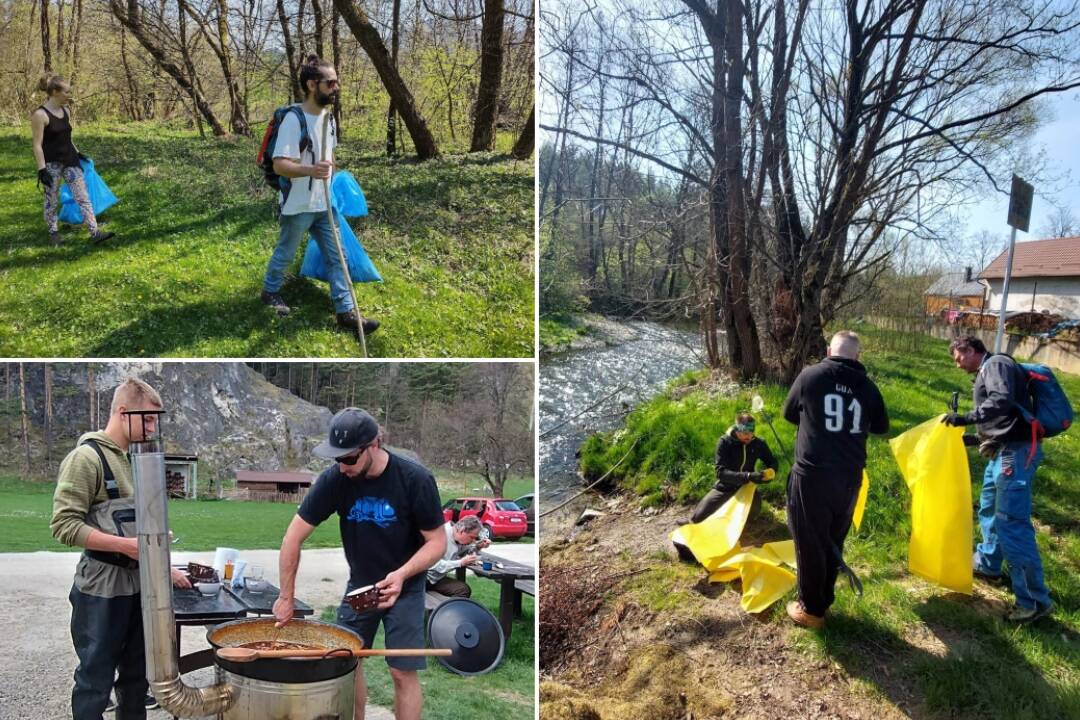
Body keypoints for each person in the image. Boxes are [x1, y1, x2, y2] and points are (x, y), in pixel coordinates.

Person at [273, 408, 446, 720]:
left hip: (405, 586)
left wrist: (403, 573)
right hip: (361, 585)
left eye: (349, 458)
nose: (342, 467)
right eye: (336, 459)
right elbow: (292, 538)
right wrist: (286, 598)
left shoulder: (414, 479)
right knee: (347, 661)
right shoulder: (335, 480)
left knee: (400, 670)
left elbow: (437, 542)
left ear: (374, 445)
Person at [50, 378, 190, 720]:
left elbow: (141, 530)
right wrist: (128, 547)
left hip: (140, 588)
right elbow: (64, 525)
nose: (153, 426)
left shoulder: (135, 459)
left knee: (136, 679)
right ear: (123, 412)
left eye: (155, 419)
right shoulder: (86, 458)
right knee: (95, 680)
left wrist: (163, 567)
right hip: (102, 589)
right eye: (148, 419)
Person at [261, 55, 380, 336]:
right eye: (331, 82)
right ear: (313, 85)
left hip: (325, 204)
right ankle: (270, 292)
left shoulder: (329, 118)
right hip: (297, 204)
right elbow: (280, 165)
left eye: (336, 81)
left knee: (339, 257)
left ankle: (346, 311)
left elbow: (330, 155)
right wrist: (311, 170)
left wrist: (332, 181)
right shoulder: (294, 119)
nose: (336, 87)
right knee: (286, 252)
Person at [781, 330, 889, 629]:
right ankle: (822, 599)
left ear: (830, 351)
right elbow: (881, 426)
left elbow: (790, 414)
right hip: (849, 478)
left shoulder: (810, 376)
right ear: (858, 356)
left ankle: (811, 609)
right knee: (832, 539)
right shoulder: (868, 387)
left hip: (812, 475)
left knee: (809, 541)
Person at [944, 335, 1053, 623]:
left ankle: (1034, 601)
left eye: (958, 358)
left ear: (972, 350)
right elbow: (1003, 416)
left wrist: (967, 417)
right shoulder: (990, 369)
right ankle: (989, 563)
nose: (957, 365)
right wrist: (973, 437)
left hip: (1016, 454)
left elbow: (1001, 400)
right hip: (1002, 451)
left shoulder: (997, 364)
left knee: (1011, 523)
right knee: (989, 508)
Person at [30, 74, 114, 246]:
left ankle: (95, 232)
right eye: (67, 92)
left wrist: (79, 153)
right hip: (51, 164)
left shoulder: (66, 111)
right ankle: (53, 233)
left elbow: (67, 138)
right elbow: (37, 145)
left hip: (71, 161)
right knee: (51, 199)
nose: (70, 95)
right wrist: (41, 169)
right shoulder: (40, 115)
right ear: (55, 92)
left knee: (83, 197)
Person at [688, 412, 779, 525]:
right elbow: (720, 472)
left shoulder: (758, 443)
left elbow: (773, 462)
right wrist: (748, 476)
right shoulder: (725, 442)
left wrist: (770, 473)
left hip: (747, 487)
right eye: (745, 433)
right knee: (698, 518)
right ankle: (692, 521)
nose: (749, 436)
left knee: (752, 516)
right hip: (725, 486)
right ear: (737, 430)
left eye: (751, 432)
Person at [425, 515, 492, 598]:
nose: (473, 541)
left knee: (463, 590)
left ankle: (451, 610)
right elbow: (433, 565)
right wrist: (460, 562)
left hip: (436, 579)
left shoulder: (458, 538)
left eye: (475, 538)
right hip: (422, 578)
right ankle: (443, 610)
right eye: (472, 537)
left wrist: (478, 546)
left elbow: (465, 552)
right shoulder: (440, 535)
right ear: (461, 530)